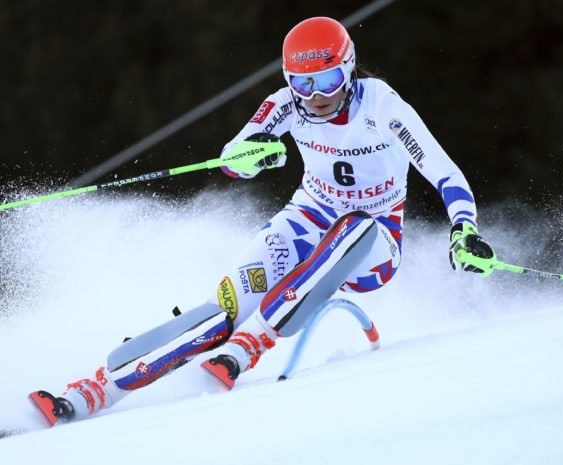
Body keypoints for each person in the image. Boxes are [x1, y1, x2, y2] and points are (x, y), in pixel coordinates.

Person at [29, 16, 497, 426]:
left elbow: (444, 172)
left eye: (329, 80)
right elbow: (235, 156)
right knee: (221, 312)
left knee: (355, 226)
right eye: (303, 82)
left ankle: (250, 346)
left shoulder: (384, 107)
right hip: (304, 222)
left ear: (349, 69)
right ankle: (88, 393)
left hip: (372, 244)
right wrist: (254, 156)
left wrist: (463, 229)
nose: (316, 96)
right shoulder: (285, 104)